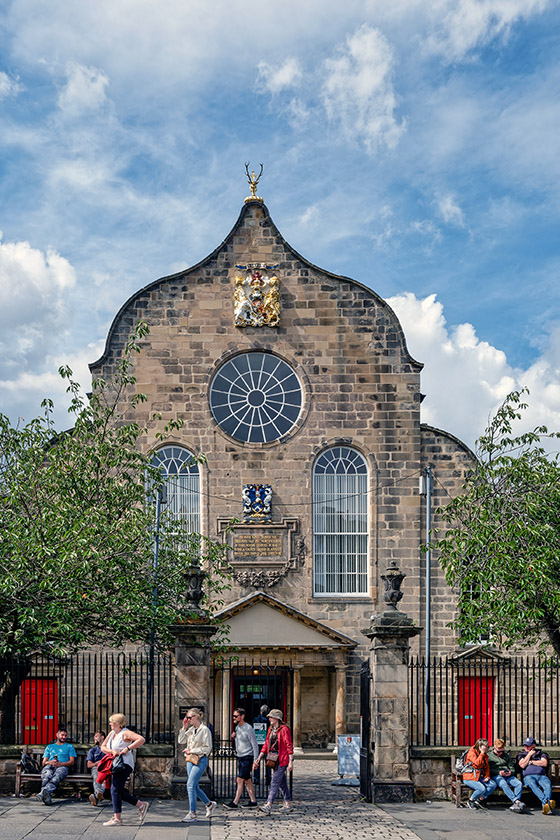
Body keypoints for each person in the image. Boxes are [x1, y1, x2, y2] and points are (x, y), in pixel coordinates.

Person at [100, 713, 149, 826]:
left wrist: (128, 748)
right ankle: (141, 805)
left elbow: (141, 739)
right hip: (115, 764)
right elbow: (103, 746)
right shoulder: (112, 733)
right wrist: (111, 751)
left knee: (114, 789)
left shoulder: (125, 733)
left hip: (124, 764)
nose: (110, 724)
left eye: (111, 722)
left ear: (117, 723)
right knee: (118, 791)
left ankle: (117, 818)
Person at [253, 708, 294, 815]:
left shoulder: (284, 729)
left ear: (277, 718)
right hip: (273, 758)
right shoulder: (271, 729)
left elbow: (289, 745)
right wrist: (259, 757)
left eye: (271, 717)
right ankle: (288, 803)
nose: (269, 719)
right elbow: (266, 745)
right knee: (282, 782)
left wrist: (290, 761)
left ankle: (269, 804)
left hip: (282, 759)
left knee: (274, 781)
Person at [180, 707, 217, 824]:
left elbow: (207, 748)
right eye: (187, 717)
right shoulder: (191, 729)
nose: (188, 719)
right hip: (190, 760)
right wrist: (184, 728)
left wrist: (192, 750)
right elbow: (181, 741)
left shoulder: (204, 730)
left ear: (197, 717)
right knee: (195, 786)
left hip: (200, 760)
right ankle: (209, 804)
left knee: (190, 785)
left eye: (190, 717)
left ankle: (193, 813)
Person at [223, 708, 259, 810]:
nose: (233, 718)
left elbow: (255, 745)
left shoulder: (248, 728)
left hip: (247, 757)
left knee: (239, 779)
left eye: (236, 716)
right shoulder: (237, 728)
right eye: (233, 716)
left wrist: (256, 760)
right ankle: (253, 801)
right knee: (247, 780)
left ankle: (235, 802)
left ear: (242, 716)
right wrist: (233, 737)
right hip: (240, 757)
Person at [36, 729, 77, 805]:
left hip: (63, 766)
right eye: (62, 735)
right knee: (46, 775)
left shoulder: (70, 746)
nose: (64, 737)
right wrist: (50, 762)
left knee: (57, 776)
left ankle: (43, 793)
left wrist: (61, 764)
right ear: (57, 735)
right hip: (50, 765)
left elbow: (72, 762)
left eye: (65, 735)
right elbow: (44, 762)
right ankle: (47, 797)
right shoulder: (50, 747)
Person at [517, 736, 556, 814]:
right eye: (525, 745)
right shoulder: (522, 754)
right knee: (532, 784)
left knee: (547, 785)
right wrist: (529, 755)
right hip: (528, 777)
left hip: (541, 776)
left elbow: (544, 763)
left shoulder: (541, 753)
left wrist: (530, 762)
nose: (526, 747)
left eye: (528, 745)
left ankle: (545, 806)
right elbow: (522, 765)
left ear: (534, 746)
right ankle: (546, 804)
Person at [488, 738, 524, 812]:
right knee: (503, 783)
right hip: (496, 776)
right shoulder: (489, 756)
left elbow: (512, 767)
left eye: (502, 751)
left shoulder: (506, 756)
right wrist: (498, 772)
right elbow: (488, 769)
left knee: (518, 784)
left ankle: (516, 805)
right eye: (498, 751)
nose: (500, 753)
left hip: (508, 776)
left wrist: (511, 772)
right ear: (494, 748)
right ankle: (516, 801)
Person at [462, 738, 497, 809]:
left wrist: (487, 776)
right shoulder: (471, 753)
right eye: (486, 747)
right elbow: (477, 764)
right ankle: (471, 800)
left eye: (488, 747)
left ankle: (480, 799)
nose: (488, 748)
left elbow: (487, 767)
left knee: (492, 785)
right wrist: (482, 754)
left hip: (478, 776)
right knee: (481, 789)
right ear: (480, 747)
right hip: (469, 777)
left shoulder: (484, 755)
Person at [87, 730, 107, 806]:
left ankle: (96, 796)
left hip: (106, 768)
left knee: (105, 778)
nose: (94, 738)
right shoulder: (93, 750)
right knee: (96, 776)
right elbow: (89, 765)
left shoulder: (109, 749)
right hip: (96, 768)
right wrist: (96, 763)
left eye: (96, 736)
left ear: (102, 737)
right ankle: (99, 794)